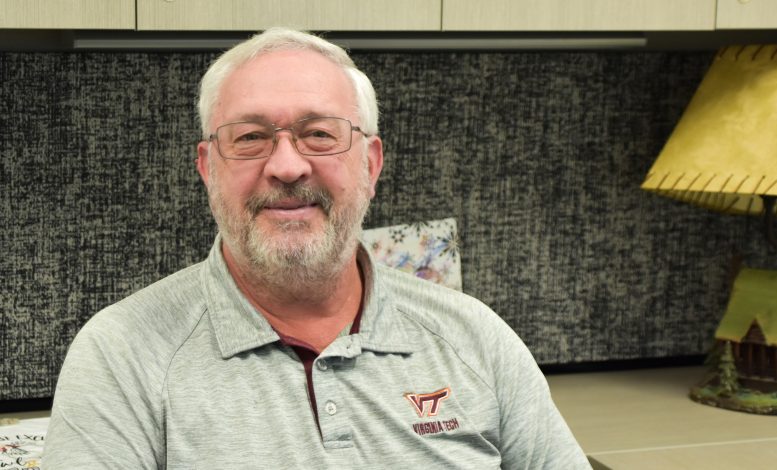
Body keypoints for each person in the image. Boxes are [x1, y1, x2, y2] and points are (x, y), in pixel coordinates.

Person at [43, 27, 591, 469]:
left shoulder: (476, 337)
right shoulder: (121, 355)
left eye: (320, 134)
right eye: (250, 137)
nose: (286, 165)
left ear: (370, 164)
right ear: (209, 169)